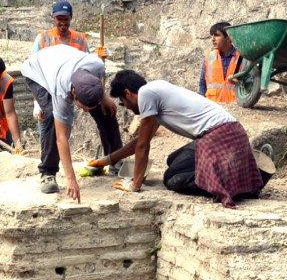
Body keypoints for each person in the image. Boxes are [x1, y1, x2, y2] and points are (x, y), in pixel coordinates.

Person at [95, 70, 270, 207]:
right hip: (227, 132)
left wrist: (135, 184)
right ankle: (233, 169)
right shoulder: (155, 89)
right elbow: (142, 139)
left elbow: (143, 146)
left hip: (220, 135)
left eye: (122, 103)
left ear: (127, 93)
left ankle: (232, 178)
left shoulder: (146, 94)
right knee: (173, 161)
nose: (126, 107)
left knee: (172, 179)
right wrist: (109, 159)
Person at [20, 44, 122, 201]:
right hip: (37, 70)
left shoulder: (97, 66)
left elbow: (97, 84)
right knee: (50, 117)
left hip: (63, 60)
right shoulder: (60, 90)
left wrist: (104, 98)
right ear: (73, 94)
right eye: (84, 108)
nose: (86, 111)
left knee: (105, 110)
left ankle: (115, 159)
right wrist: (71, 180)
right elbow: (62, 138)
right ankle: (48, 172)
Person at [199, 21, 241, 103]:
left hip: (235, 107)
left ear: (228, 38)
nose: (213, 39)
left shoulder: (242, 57)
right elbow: (202, 84)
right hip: (213, 106)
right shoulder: (208, 58)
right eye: (212, 36)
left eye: (217, 35)